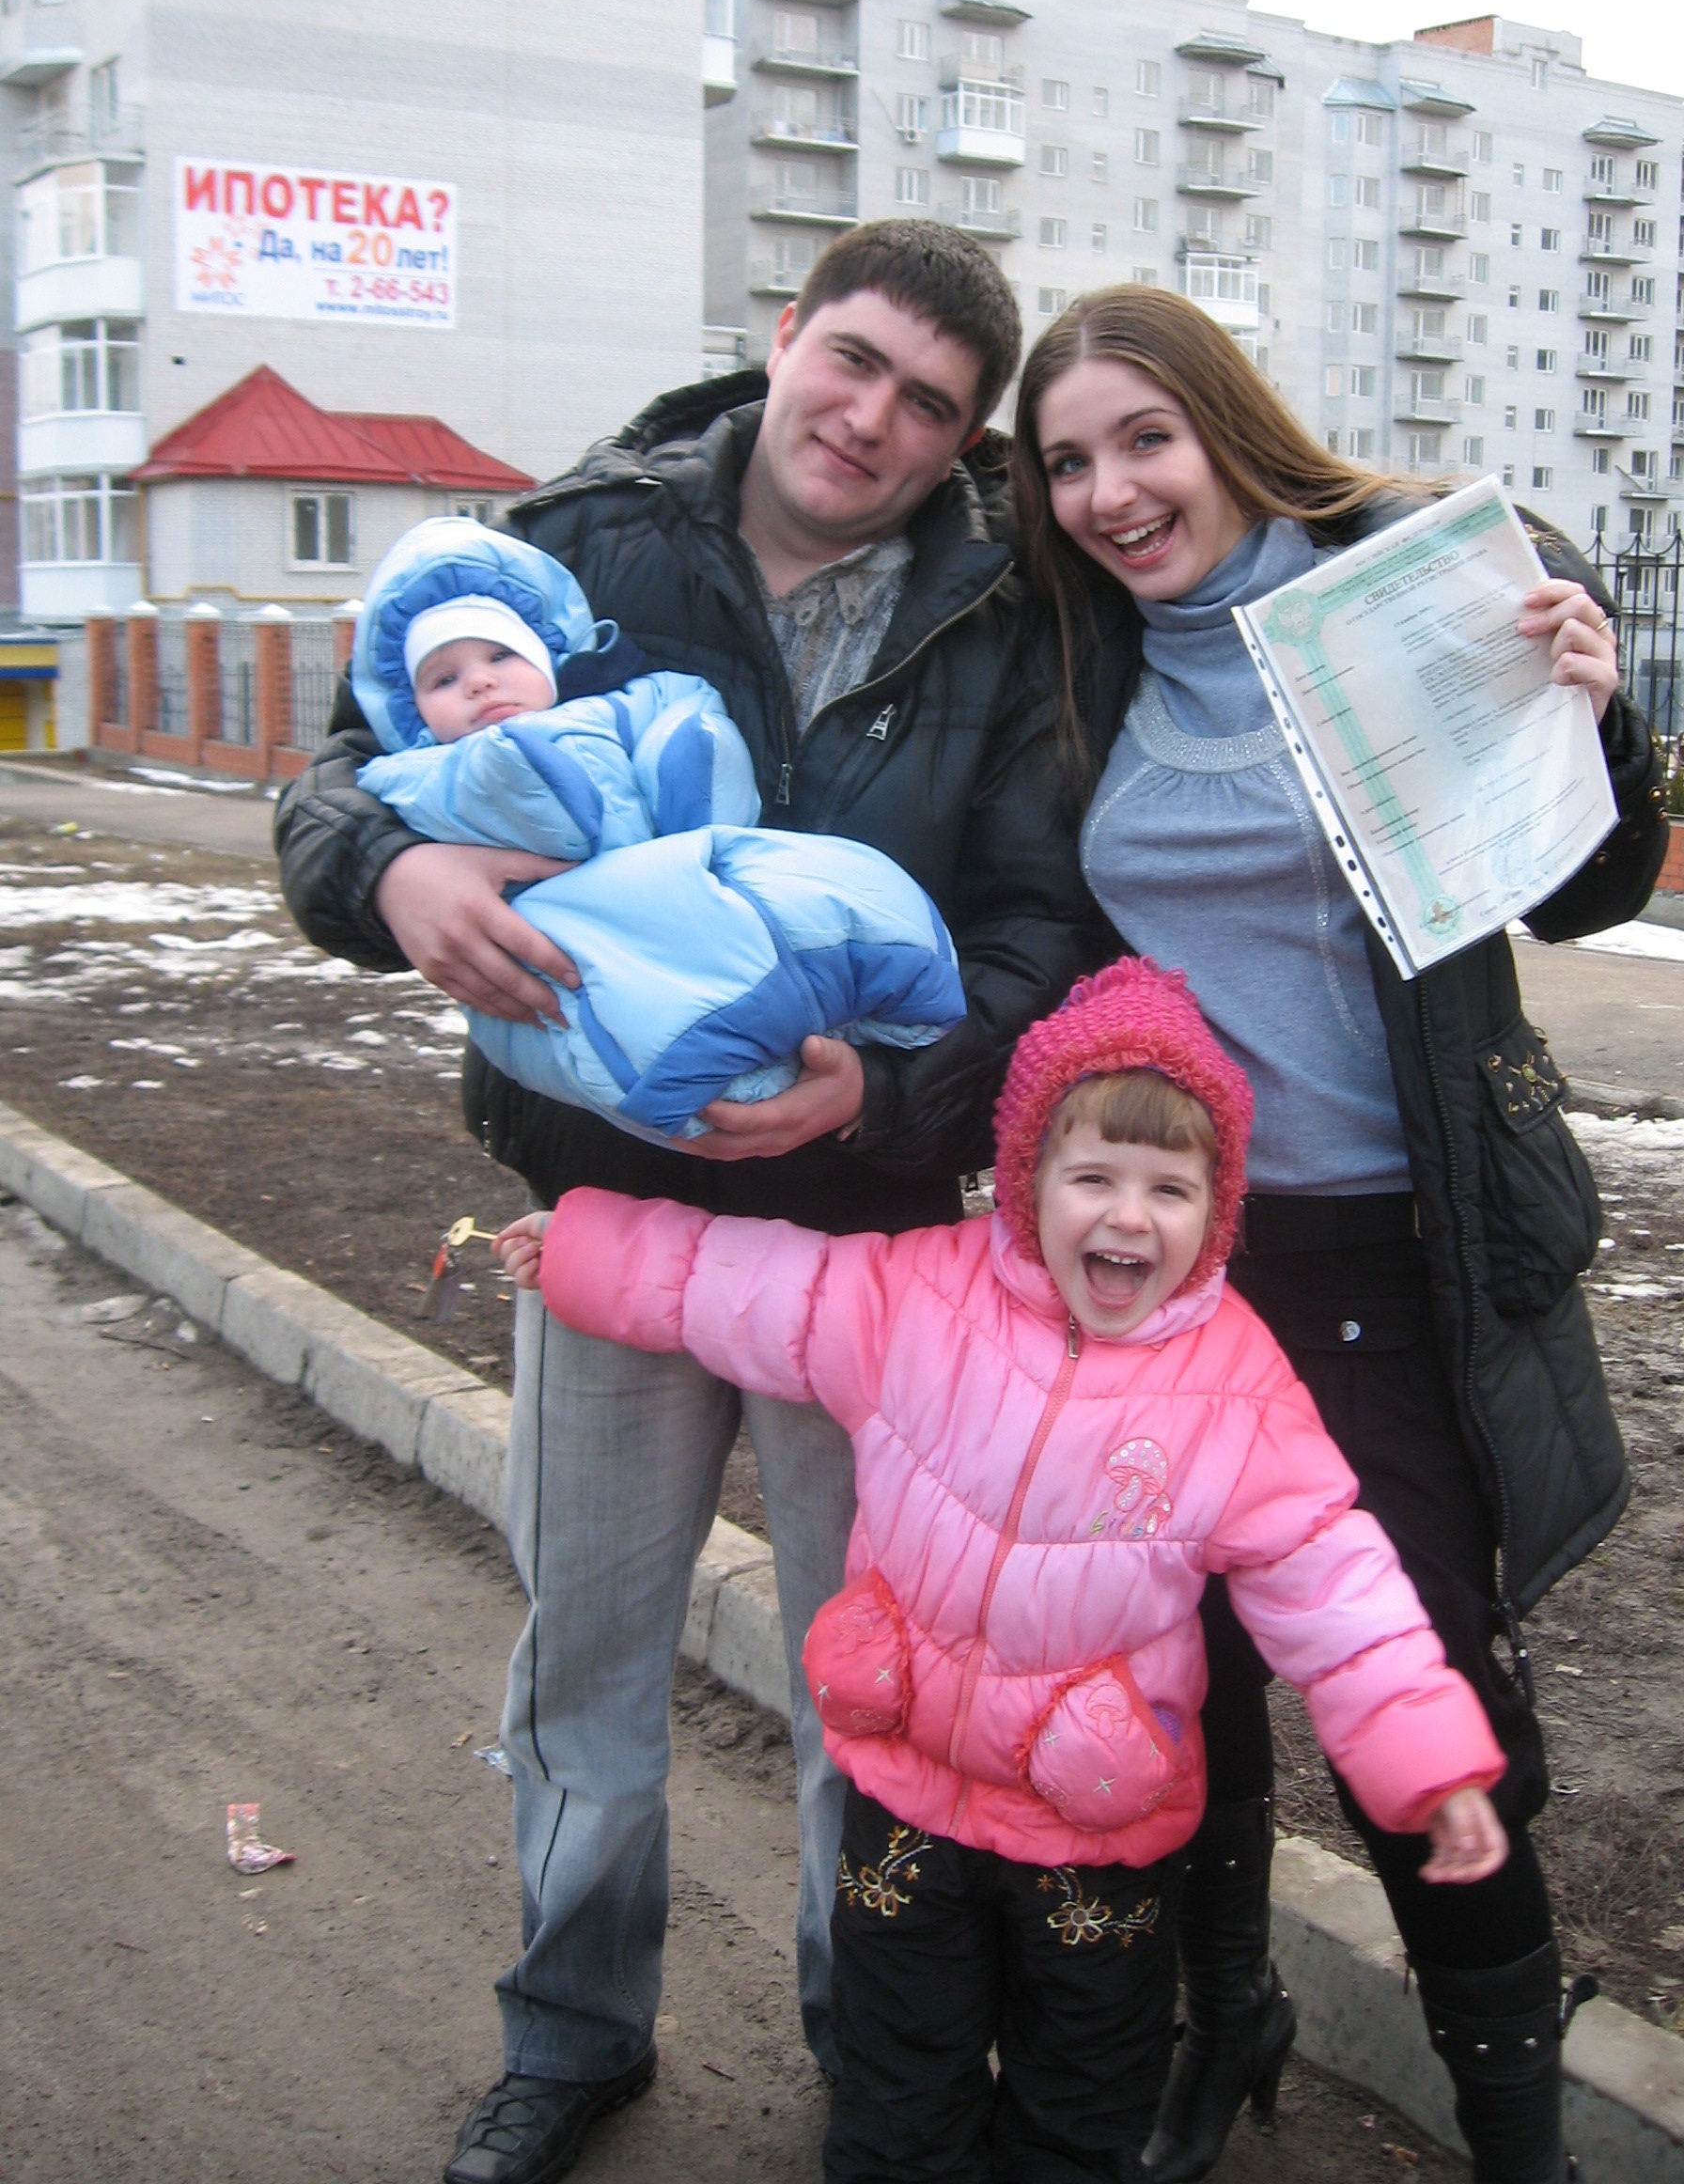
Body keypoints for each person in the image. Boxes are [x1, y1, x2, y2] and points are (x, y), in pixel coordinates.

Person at [273, 219, 1128, 2184]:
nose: (873, 419)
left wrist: (883, 1089)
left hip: (871, 1237)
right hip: (606, 1223)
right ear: (786, 336)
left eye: (931, 404)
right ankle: (570, 2033)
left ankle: (869, 2049)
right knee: (586, 1652)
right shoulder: (584, 539)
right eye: (853, 361)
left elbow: (1036, 923)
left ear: (967, 437)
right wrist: (392, 875)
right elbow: (340, 775)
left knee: (865, 1677)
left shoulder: (1009, 609)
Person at [490, 958, 1512, 2184]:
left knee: (1078, 2112)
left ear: (1220, 1207)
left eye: (1171, 1189)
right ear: (1027, 1179)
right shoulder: (916, 1294)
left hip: (1094, 1837)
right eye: (1094, 1178)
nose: (1129, 1218)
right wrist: (584, 1246)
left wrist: (1430, 1766)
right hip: (907, 1803)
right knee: (895, 2092)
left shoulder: (1239, 1396)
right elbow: (749, 1284)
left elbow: (1342, 1596)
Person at [1008, 286, 1669, 2184]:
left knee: (1418, 1697)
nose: (1112, 493)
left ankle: (1516, 2137)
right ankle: (1230, 2019)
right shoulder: (1088, 660)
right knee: (1176, 1683)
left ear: (1226, 423)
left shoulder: (1405, 593)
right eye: (1068, 461)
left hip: (1386, 1251)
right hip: (1171, 1271)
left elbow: (1590, 893)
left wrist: (1593, 716)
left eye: (1144, 438)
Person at [346, 517, 967, 1141]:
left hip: (682, 879)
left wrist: (690, 769)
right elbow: (348, 804)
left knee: (831, 893)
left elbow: (691, 727)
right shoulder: (414, 775)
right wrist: (392, 865)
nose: (479, 682)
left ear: (548, 655)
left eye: (500, 655)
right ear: (411, 711)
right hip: (554, 949)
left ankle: (881, 992)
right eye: (444, 679)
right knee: (629, 1019)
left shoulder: (618, 706)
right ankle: (731, 1078)